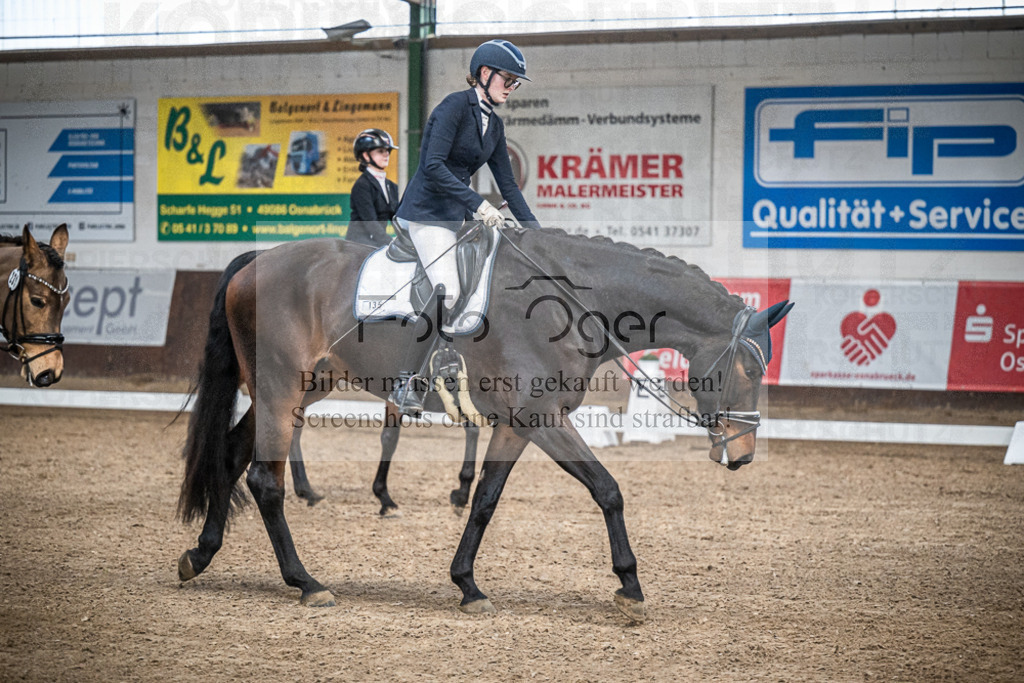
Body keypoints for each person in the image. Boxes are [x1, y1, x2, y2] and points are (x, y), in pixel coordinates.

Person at [389, 38, 541, 415]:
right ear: (484, 74)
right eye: (508, 78)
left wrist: (539, 234)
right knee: (450, 289)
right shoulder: (453, 107)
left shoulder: (495, 126)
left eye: (515, 82)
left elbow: (509, 186)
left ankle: (454, 355)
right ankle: (407, 380)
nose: (511, 87)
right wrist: (477, 204)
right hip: (426, 212)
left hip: (456, 215)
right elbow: (434, 166)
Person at [346, 129, 400, 248]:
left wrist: (407, 239)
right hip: (358, 246)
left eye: (387, 151)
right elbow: (370, 223)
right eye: (380, 151)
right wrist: (390, 242)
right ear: (366, 155)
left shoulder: (391, 186)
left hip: (377, 243)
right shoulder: (362, 185)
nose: (386, 154)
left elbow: (397, 218)